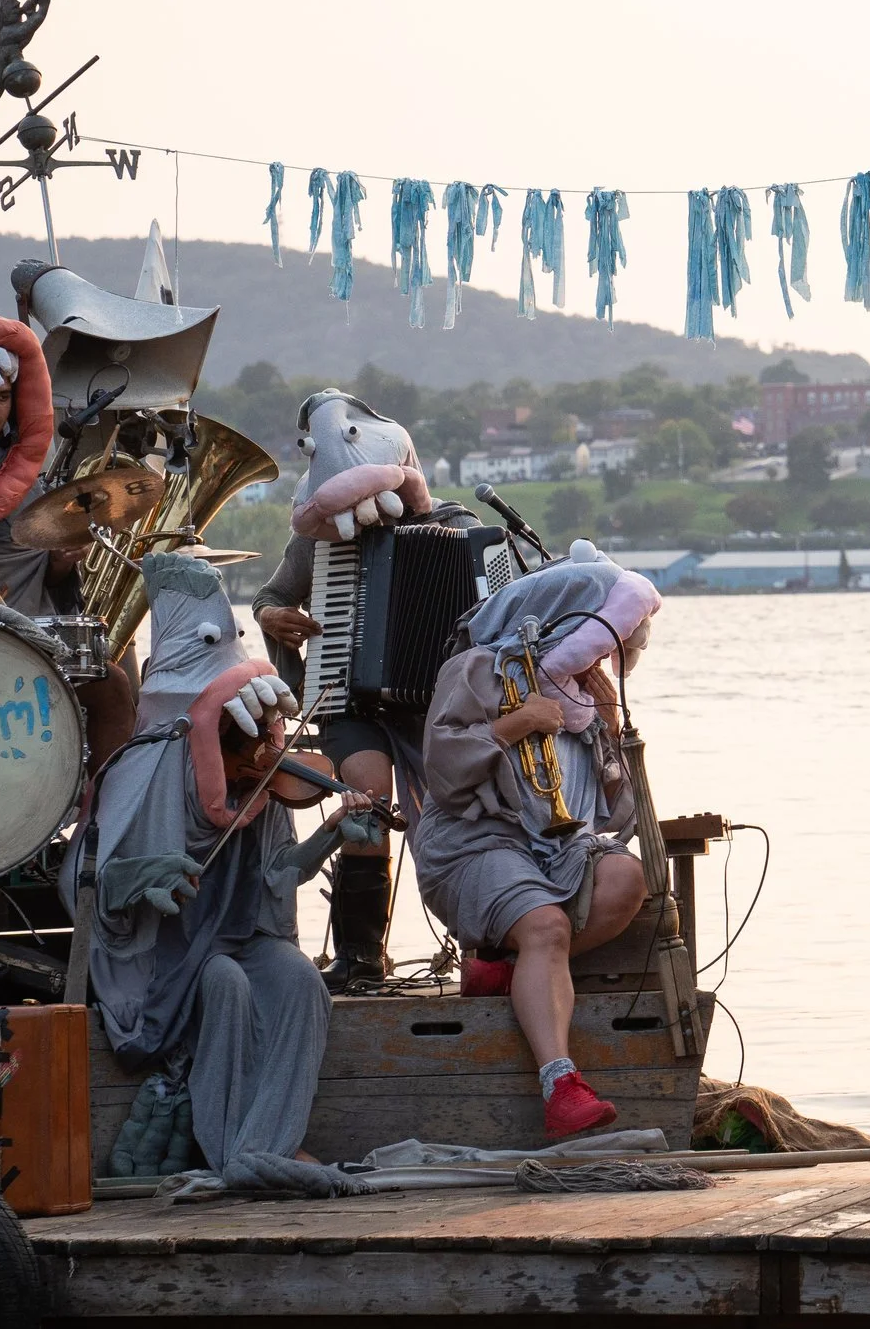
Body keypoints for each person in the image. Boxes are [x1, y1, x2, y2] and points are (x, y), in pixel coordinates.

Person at [67, 552, 379, 1173]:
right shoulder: (144, 772)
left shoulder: (264, 784)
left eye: (271, 741)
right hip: (163, 957)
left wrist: (335, 835)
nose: (267, 760)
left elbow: (277, 877)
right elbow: (86, 879)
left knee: (296, 978)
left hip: (237, 934)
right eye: (250, 751)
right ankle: (231, 1143)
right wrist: (133, 880)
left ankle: (272, 1140)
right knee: (226, 984)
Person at [416, 542, 659, 1141]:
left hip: (558, 846)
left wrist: (613, 734)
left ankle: (509, 971)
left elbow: (616, 813)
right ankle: (560, 1084)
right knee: (547, 926)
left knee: (628, 878)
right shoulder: (477, 670)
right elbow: (442, 771)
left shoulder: (584, 693)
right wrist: (521, 720)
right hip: (475, 841)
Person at [253, 389, 481, 989]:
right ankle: (361, 956)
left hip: (439, 706)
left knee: (470, 807)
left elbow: (498, 612)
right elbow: (271, 598)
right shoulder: (316, 541)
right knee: (368, 790)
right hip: (349, 696)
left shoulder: (458, 528)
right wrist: (274, 618)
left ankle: (485, 939)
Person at [0, 313, 136, 762]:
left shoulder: (30, 489)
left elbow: (55, 588)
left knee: (114, 686)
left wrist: (62, 565)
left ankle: (101, 819)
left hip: (26, 653)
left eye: (4, 397)